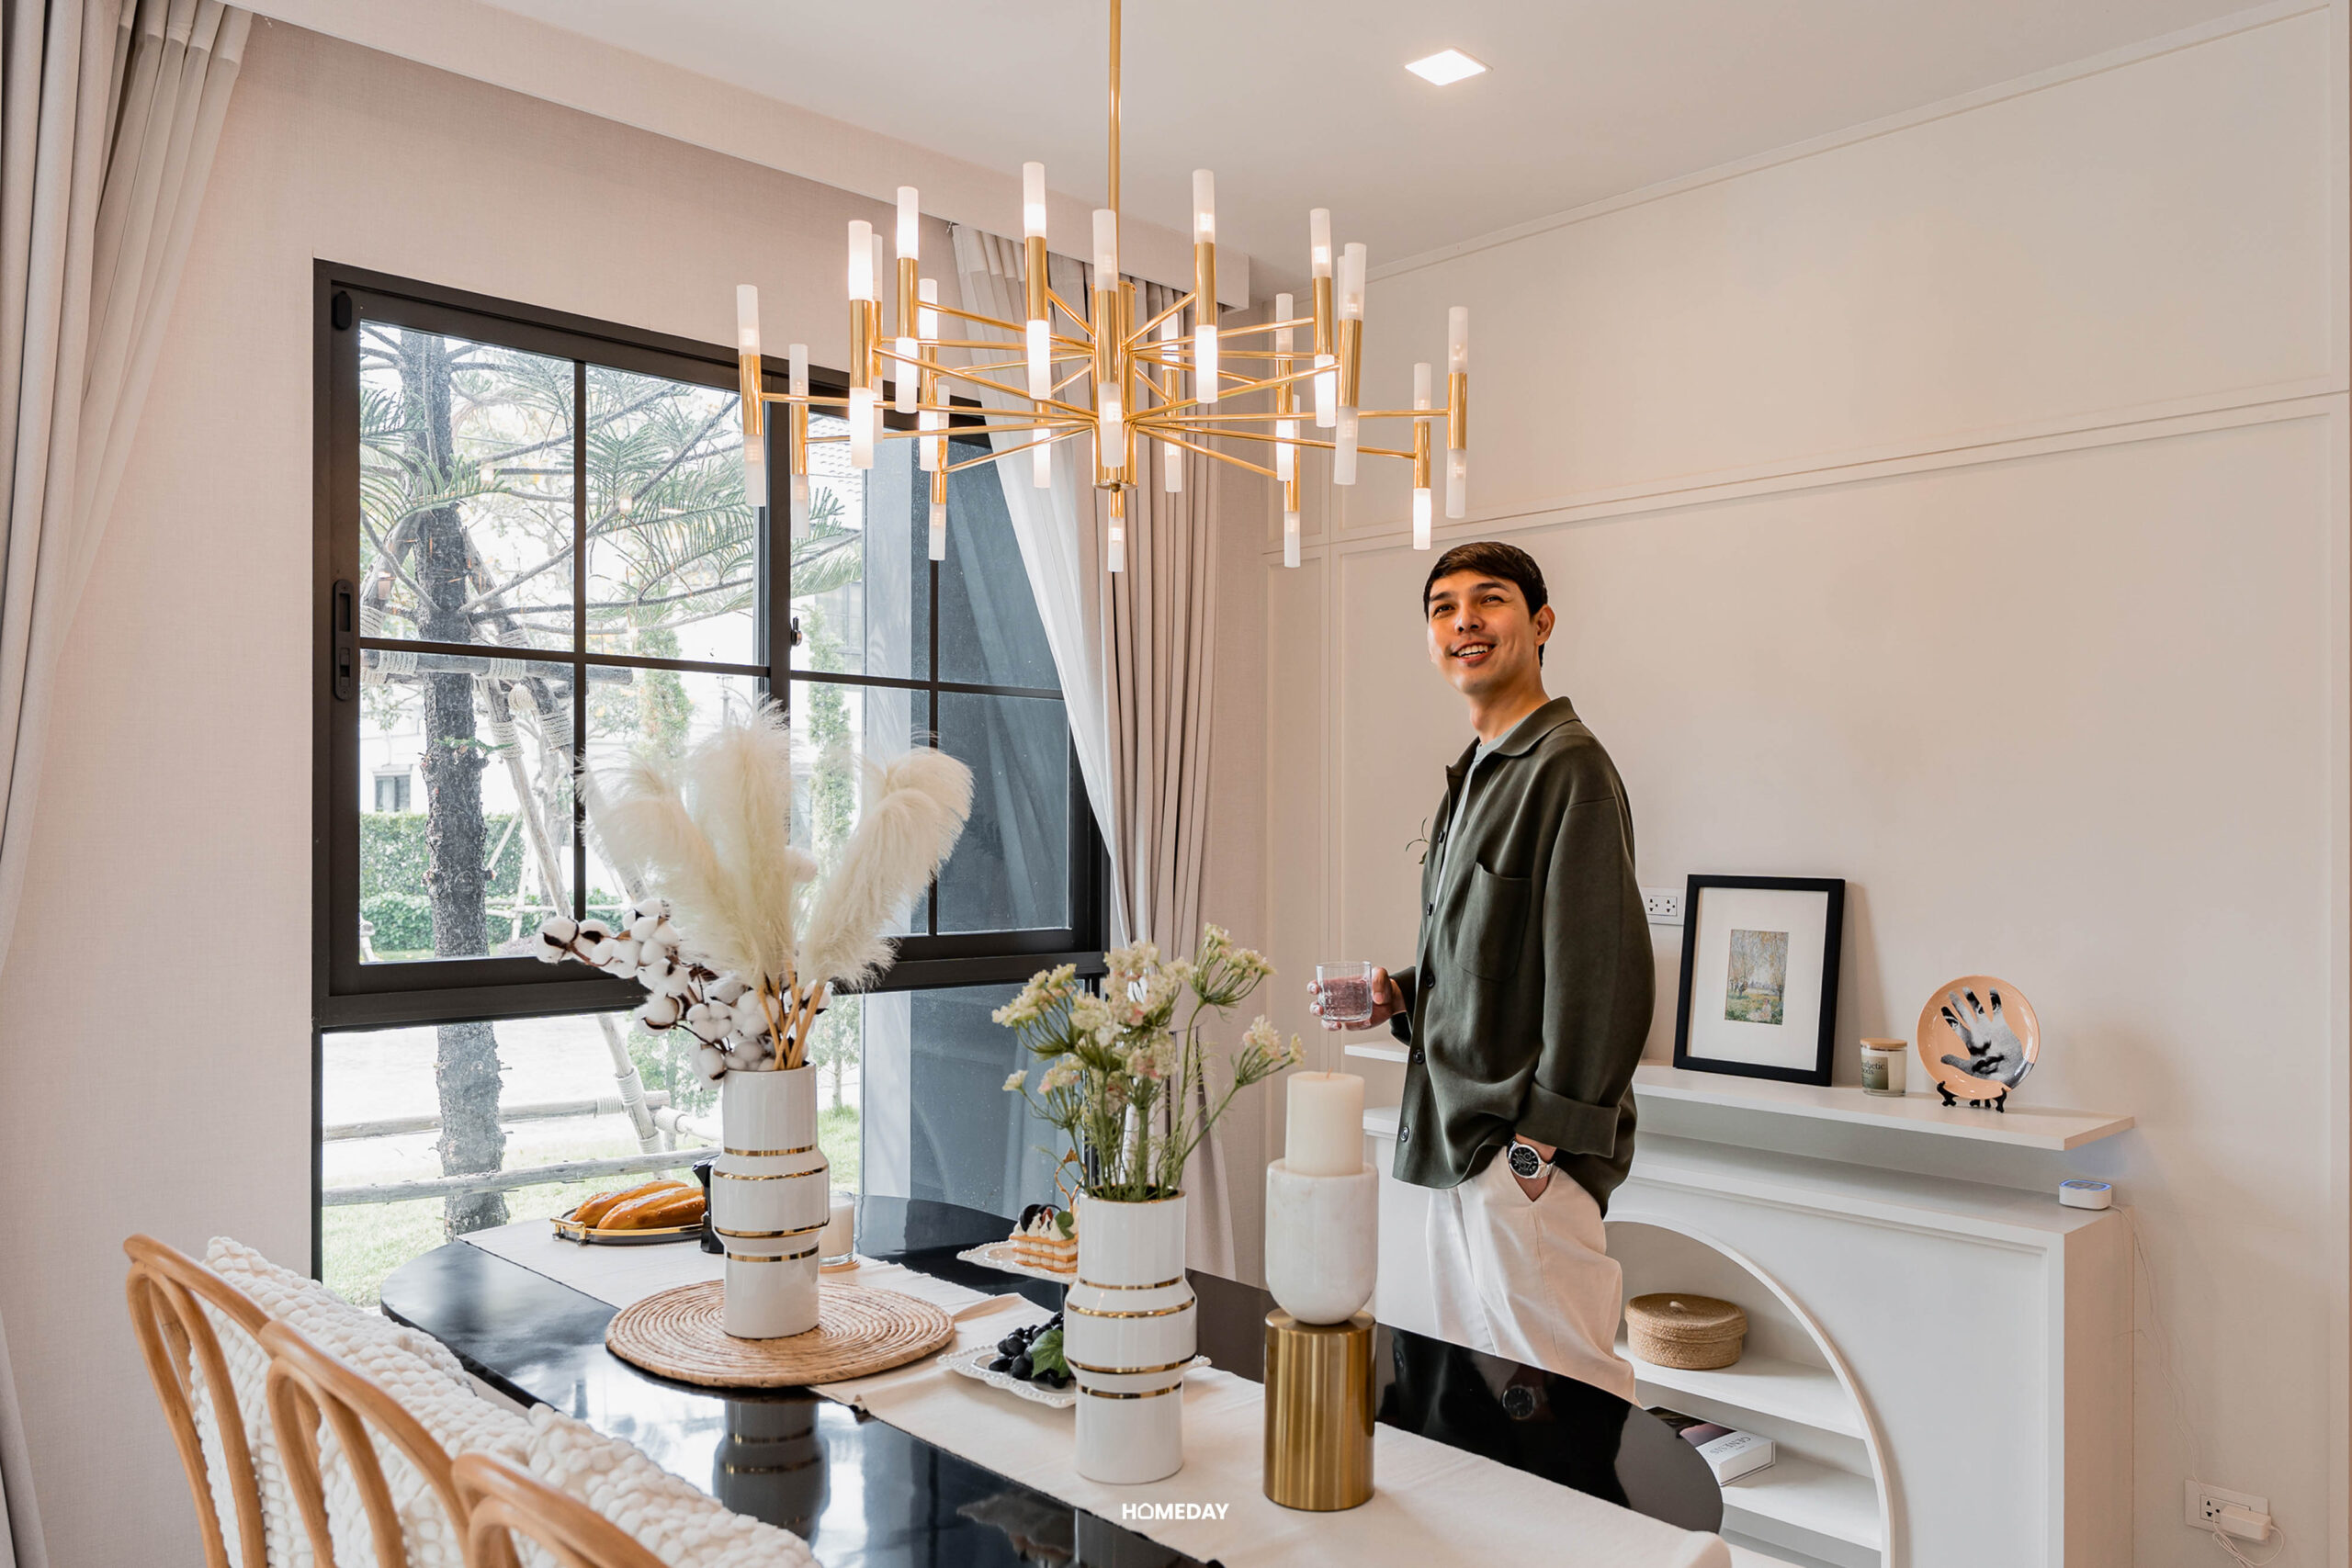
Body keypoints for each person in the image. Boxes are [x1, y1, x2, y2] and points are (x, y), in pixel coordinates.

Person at [1312, 540, 1651, 1399]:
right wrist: (1402, 992)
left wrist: (1539, 1149)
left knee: (1569, 1400)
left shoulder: (1568, 767)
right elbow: (1494, 952)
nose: (1463, 620)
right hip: (1450, 1141)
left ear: (1541, 623)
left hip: (1517, 1155)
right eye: (1443, 608)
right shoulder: (1472, 776)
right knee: (1466, 1407)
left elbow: (1602, 976)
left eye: (1488, 599)